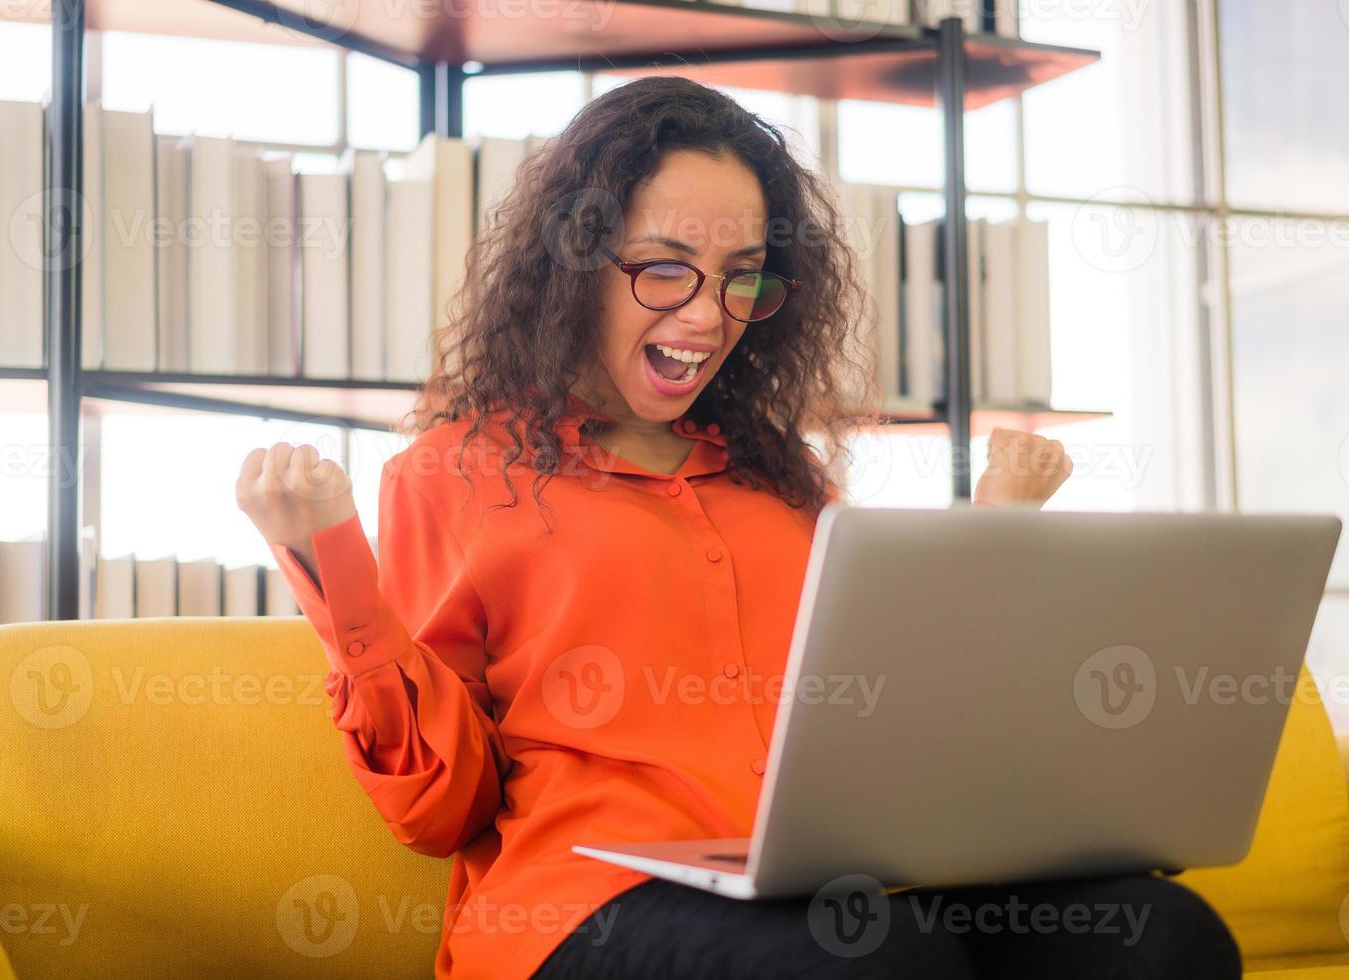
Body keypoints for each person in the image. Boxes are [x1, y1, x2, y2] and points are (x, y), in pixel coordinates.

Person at [236, 76, 1240, 980]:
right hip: (581, 905)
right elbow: (437, 811)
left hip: (823, 883)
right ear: (577, 262)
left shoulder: (785, 481)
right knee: (874, 953)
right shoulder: (449, 474)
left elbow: (885, 722)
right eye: (666, 269)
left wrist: (997, 543)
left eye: (742, 276)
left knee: (1159, 929)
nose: (709, 316)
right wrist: (336, 573)